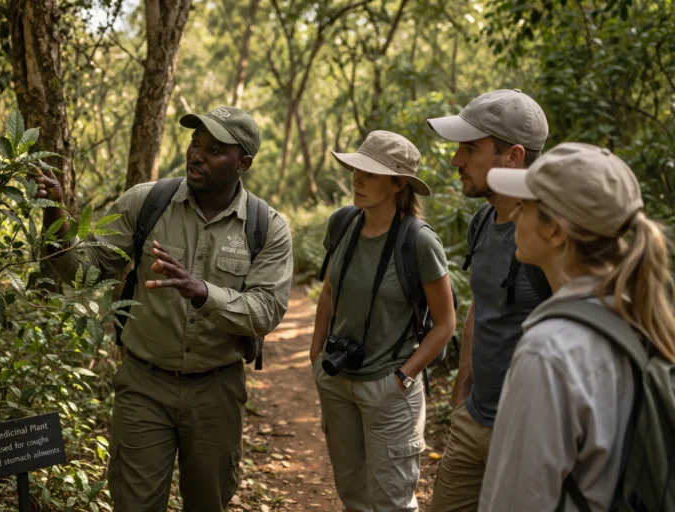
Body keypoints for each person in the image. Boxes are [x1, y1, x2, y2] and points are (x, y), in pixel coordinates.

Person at [32, 106, 294, 511]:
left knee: (207, 503)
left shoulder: (267, 227)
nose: (196, 155)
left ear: (242, 163)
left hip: (217, 391)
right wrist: (56, 215)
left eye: (214, 150)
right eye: (195, 143)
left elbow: (267, 310)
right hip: (144, 385)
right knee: (135, 504)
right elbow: (84, 271)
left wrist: (203, 292)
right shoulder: (146, 202)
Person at [478, 142, 675, 510]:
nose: (515, 217)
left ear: (555, 231)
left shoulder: (549, 351)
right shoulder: (643, 318)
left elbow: (517, 500)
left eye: (525, 207)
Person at [309, 130, 456, 512]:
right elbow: (329, 292)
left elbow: (445, 324)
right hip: (337, 379)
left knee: (391, 501)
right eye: (356, 170)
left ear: (398, 184)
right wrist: (316, 354)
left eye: (370, 174)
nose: (357, 180)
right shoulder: (342, 224)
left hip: (389, 388)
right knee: (352, 493)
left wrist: (403, 377)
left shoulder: (419, 242)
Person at [426, 89, 551, 512]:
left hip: (528, 434)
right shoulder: (482, 220)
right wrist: (463, 388)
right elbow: (481, 304)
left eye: (470, 148)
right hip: (473, 417)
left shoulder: (552, 236)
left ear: (513, 156)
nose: (456, 160)